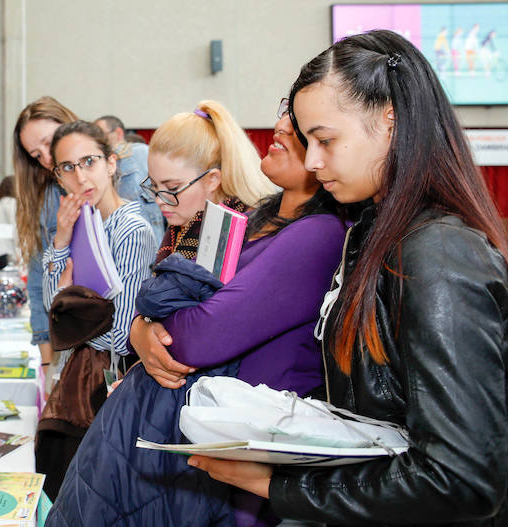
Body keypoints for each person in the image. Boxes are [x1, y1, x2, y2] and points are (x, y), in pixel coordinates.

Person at [189, 30, 508, 526]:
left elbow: (461, 477)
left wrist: (277, 485)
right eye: (307, 141)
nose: (313, 162)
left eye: (325, 140)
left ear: (390, 121)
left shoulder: (440, 253)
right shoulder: (373, 230)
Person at [46, 99, 348, 527]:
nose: (280, 129)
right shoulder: (256, 219)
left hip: (230, 444)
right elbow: (178, 310)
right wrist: (139, 327)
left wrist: (142, 328)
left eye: (306, 134)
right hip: (199, 430)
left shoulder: (314, 231)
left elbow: (197, 334)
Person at [37, 120, 156, 500]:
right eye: (67, 167)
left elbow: (123, 337)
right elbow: (49, 308)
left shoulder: (130, 229)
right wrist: (59, 239)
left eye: (88, 161)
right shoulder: (82, 221)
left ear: (111, 163)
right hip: (75, 379)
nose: (80, 175)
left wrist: (68, 309)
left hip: (107, 390)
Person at [13, 96, 78, 381]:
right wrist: (47, 367)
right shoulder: (49, 199)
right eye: (36, 155)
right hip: (77, 344)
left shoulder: (127, 170)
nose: (47, 158)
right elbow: (39, 281)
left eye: (48, 142)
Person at [95, 114, 165, 246]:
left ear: (119, 133)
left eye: (101, 136)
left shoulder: (142, 154)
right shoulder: (145, 153)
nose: (97, 141)